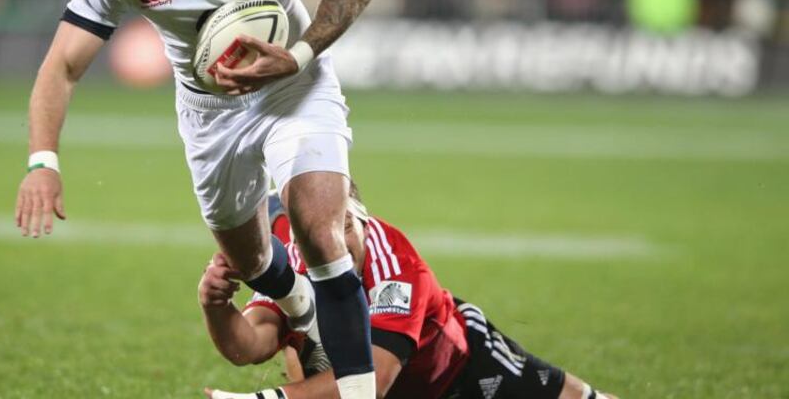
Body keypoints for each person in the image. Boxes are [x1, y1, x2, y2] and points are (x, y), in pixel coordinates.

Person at [13, 0, 378, 398]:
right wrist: (43, 161)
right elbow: (61, 65)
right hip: (209, 112)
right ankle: (301, 310)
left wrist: (298, 56)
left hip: (292, 85)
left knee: (317, 227)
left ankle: (358, 392)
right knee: (252, 259)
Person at [198, 186, 619, 399]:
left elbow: (375, 379)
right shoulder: (294, 252)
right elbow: (250, 344)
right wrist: (216, 305)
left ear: (362, 216)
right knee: (301, 337)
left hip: (459, 368)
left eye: (344, 225)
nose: (336, 244)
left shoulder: (393, 263)